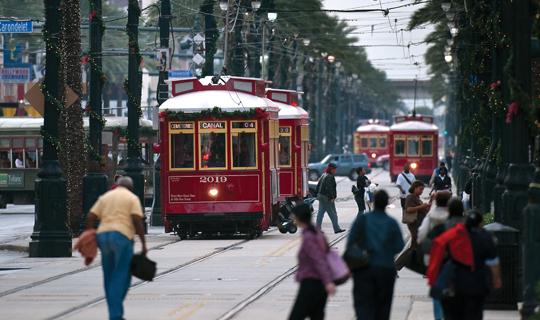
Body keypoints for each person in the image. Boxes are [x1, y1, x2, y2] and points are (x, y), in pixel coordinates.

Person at [85, 176, 147, 320]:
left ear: (117, 186)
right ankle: (115, 316)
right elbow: (137, 221)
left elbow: (90, 216)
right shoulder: (132, 198)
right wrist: (143, 243)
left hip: (103, 237)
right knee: (122, 276)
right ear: (130, 188)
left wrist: (90, 235)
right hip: (122, 237)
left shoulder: (106, 197)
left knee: (109, 276)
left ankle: (115, 312)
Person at [427, 210, 502, 320]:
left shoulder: (453, 234)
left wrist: (434, 279)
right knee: (474, 314)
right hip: (477, 284)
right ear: (480, 223)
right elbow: (493, 262)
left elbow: (437, 252)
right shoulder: (485, 237)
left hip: (453, 284)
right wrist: (496, 279)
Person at [348, 190, 404, 320]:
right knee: (383, 306)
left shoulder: (362, 220)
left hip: (364, 269)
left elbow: (351, 243)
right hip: (386, 268)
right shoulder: (391, 223)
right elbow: (399, 246)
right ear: (387, 203)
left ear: (373, 202)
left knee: (363, 304)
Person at [289, 203, 335, 320]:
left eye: (294, 216)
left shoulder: (309, 237)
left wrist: (328, 281)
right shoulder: (317, 233)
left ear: (300, 218)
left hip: (311, 285)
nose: (293, 219)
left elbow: (319, 260)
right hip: (319, 286)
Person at [416, 190, 452, 320]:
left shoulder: (431, 216)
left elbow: (421, 236)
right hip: (451, 259)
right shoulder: (453, 218)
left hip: (434, 258)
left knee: (437, 289)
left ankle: (438, 317)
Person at [395, 181, 432, 271]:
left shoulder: (416, 198)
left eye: (422, 189)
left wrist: (429, 204)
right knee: (413, 249)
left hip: (419, 225)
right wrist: (422, 206)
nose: (422, 191)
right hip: (415, 225)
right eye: (420, 189)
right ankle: (395, 266)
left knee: (415, 248)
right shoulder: (410, 197)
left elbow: (423, 210)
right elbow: (409, 209)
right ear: (415, 188)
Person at [316, 163, 345, 234]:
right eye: (334, 169)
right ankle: (337, 229)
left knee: (320, 213)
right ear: (331, 169)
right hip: (327, 198)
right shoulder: (329, 177)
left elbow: (317, 186)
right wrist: (332, 197)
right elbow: (330, 188)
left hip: (321, 196)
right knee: (333, 214)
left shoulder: (323, 175)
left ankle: (317, 229)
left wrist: (317, 194)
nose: (335, 170)